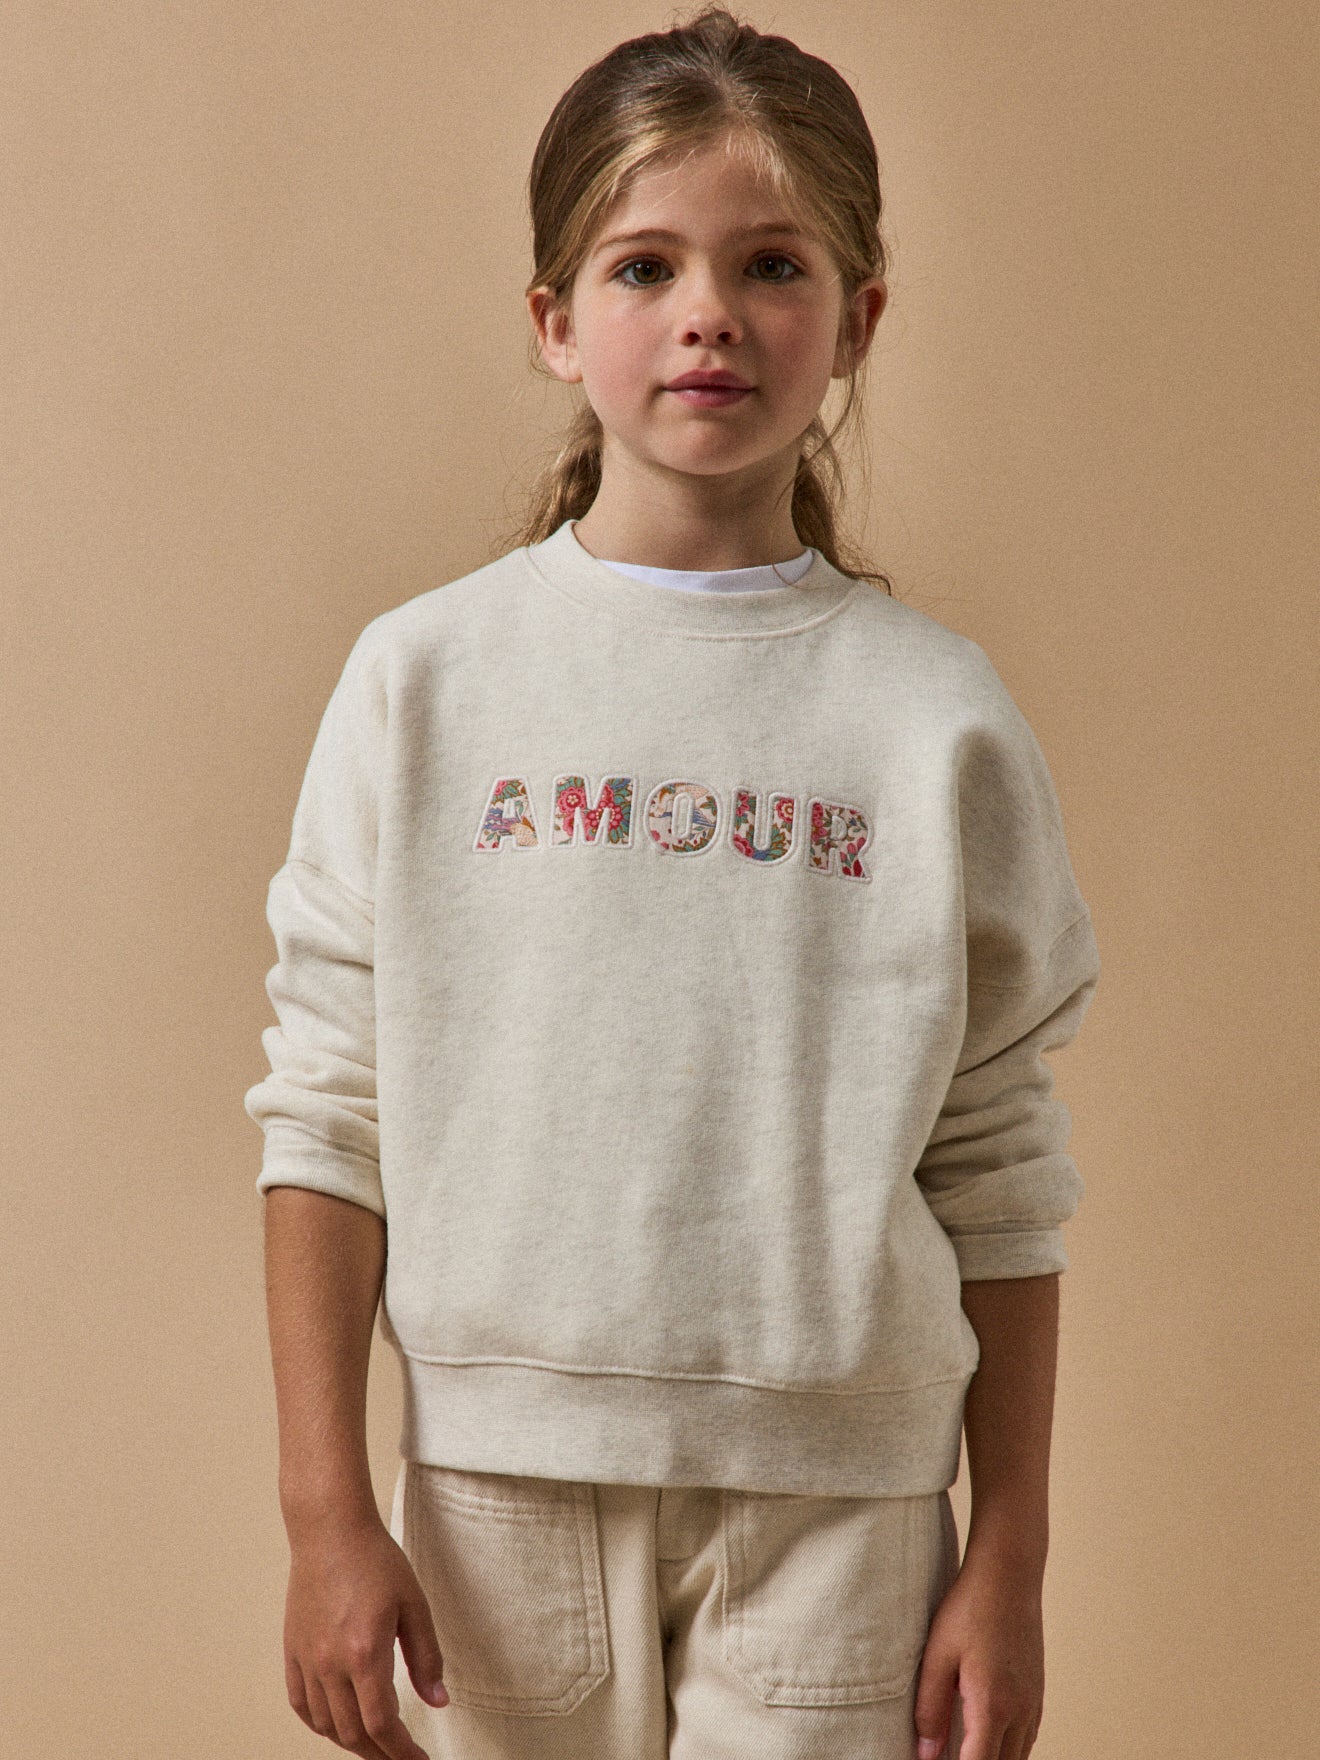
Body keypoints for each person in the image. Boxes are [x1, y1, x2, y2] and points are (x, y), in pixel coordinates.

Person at [244, 9, 1101, 1760]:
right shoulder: (425, 681)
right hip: (497, 1500)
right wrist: (325, 1514)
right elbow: (326, 1114)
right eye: (645, 265)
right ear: (556, 321)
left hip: (843, 1516)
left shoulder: (937, 719)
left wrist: (1008, 1555)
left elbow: (999, 1164)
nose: (709, 312)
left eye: (772, 264)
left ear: (857, 320)